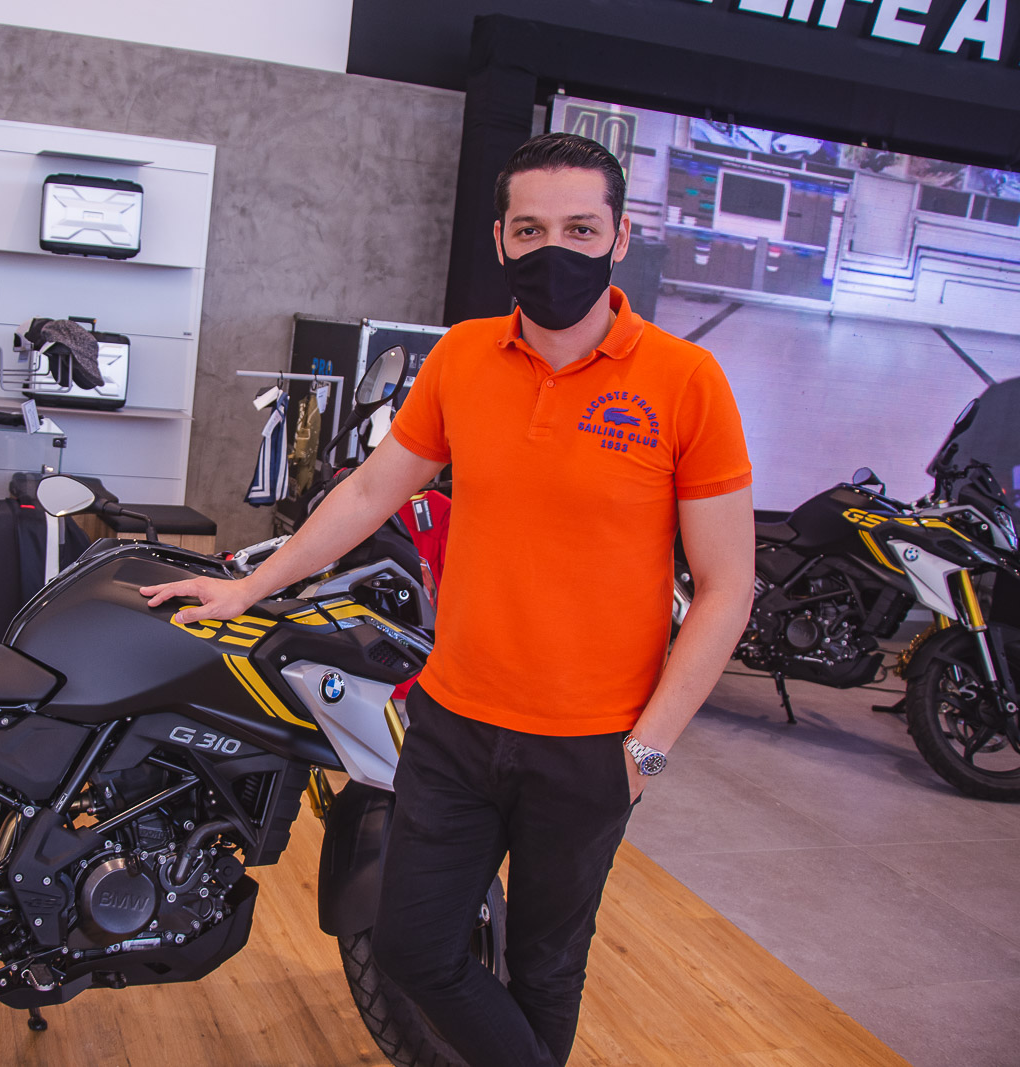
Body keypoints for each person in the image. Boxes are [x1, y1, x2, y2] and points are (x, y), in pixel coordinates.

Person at [142, 132, 755, 1065]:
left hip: (591, 746)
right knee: (412, 948)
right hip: (454, 726)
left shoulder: (686, 381)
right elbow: (367, 492)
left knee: (546, 968)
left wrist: (647, 751)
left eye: (581, 228)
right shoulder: (464, 357)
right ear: (501, 240)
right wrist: (252, 584)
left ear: (621, 236)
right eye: (531, 229)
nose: (555, 248)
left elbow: (726, 586)